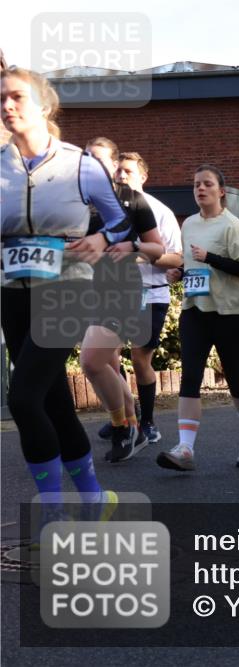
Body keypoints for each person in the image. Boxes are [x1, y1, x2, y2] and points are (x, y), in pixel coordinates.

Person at [1, 67, 125, 523]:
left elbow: (123, 219)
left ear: (44, 105)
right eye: (1, 99)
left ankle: (51, 515)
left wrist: (103, 238)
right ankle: (95, 500)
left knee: (22, 399)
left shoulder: (80, 165)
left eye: (17, 97)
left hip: (67, 288)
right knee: (52, 400)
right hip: (13, 291)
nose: (7, 105)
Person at [157, 164, 239, 472]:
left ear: (221, 191)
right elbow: (194, 266)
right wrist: (180, 272)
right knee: (190, 375)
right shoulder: (188, 224)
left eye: (207, 184)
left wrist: (210, 257)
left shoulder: (232, 226)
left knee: (234, 376)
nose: (200, 189)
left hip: (231, 313)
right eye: (196, 184)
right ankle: (185, 448)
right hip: (195, 309)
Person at [90, 150, 179, 452]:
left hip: (150, 292)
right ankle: (127, 417)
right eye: (118, 171)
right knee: (106, 357)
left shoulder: (159, 211)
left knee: (141, 359)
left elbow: (175, 258)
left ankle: (149, 421)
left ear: (143, 176)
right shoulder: (104, 209)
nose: (121, 175)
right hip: (114, 295)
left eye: (128, 171)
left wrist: (136, 251)